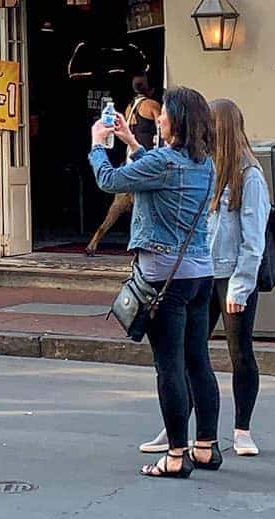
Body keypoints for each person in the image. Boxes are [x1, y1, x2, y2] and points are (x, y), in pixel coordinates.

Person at [89, 87, 218, 477]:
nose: (157, 119)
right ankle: (206, 448)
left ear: (176, 122)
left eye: (163, 115)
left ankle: (176, 456)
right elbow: (162, 177)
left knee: (169, 368)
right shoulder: (204, 164)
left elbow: (110, 181)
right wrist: (132, 142)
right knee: (199, 362)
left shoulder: (163, 162)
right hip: (200, 274)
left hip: (164, 277)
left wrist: (99, 145)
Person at [206, 98, 271, 458]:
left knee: (240, 353)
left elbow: (254, 238)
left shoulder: (249, 176)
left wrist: (241, 286)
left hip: (231, 274)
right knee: (191, 352)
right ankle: (179, 423)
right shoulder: (208, 168)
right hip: (204, 271)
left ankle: (242, 429)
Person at [83, 94, 160, 253]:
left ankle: (94, 242)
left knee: (115, 211)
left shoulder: (129, 109)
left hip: (131, 163)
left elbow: (107, 181)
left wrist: (97, 144)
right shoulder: (153, 105)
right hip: (147, 168)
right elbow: (159, 133)